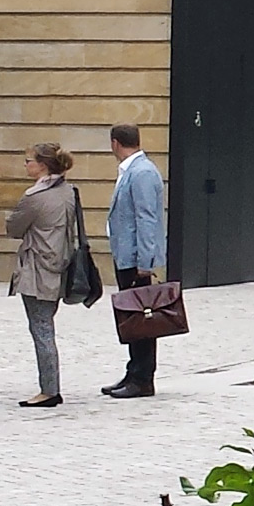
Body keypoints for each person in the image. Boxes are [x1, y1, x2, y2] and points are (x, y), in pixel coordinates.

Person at [6, 143, 80, 408]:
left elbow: (13, 228)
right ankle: (50, 387)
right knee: (46, 325)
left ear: (43, 165)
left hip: (38, 269)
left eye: (29, 161)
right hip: (61, 265)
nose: (26, 165)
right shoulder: (68, 191)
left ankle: (49, 389)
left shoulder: (34, 197)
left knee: (42, 329)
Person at [103, 124, 166, 399]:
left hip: (136, 259)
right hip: (126, 255)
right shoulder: (132, 170)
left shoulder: (140, 172)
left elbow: (146, 218)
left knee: (141, 319)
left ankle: (142, 378)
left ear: (115, 143)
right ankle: (134, 370)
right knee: (131, 317)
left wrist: (145, 260)